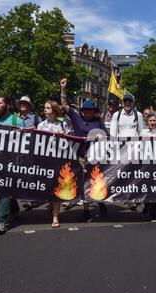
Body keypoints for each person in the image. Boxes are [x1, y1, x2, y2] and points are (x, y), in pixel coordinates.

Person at [60, 78, 108, 221]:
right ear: (82, 111)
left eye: (91, 110)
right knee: (82, 183)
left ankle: (100, 201)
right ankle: (86, 211)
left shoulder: (98, 121)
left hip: (95, 156)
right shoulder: (76, 117)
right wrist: (63, 89)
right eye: (86, 110)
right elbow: (64, 106)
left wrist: (100, 136)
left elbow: (106, 136)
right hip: (79, 155)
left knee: (96, 181)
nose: (88, 112)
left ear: (94, 111)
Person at [0, 96, 25, 234]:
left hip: (12, 161)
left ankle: (1, 221)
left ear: (8, 105)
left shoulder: (17, 121)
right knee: (4, 188)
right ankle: (14, 210)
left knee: (5, 187)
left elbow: (26, 141)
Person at [37, 100, 65, 228]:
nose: (45, 110)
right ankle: (49, 205)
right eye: (45, 107)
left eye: (48, 108)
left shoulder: (62, 125)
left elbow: (68, 141)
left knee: (56, 188)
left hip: (58, 160)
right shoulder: (41, 125)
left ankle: (55, 216)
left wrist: (63, 136)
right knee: (48, 187)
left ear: (54, 110)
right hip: (45, 160)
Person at [141, 112, 156, 222]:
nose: (152, 123)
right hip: (145, 165)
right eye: (150, 121)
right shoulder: (143, 132)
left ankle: (155, 214)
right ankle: (147, 205)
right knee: (146, 187)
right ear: (147, 122)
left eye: (154, 120)